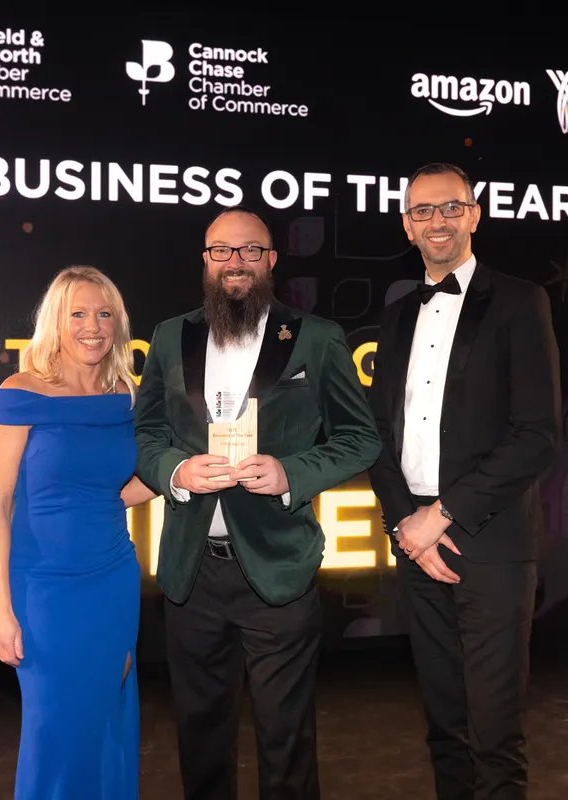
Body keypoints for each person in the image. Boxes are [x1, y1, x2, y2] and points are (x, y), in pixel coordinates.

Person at [134, 206, 381, 799]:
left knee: (285, 738)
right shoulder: (170, 335)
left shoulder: (316, 338)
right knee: (200, 734)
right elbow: (145, 434)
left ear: (271, 260)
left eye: (250, 250)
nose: (235, 262)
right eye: (222, 250)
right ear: (205, 261)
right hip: (191, 568)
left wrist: (291, 472)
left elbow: (360, 438)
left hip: (279, 565)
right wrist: (175, 470)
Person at [367, 162, 561, 800]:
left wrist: (442, 514)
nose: (438, 221)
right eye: (423, 211)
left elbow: (537, 434)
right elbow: (377, 434)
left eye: (451, 207)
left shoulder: (520, 301)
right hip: (416, 543)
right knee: (444, 725)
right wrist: (406, 524)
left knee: (495, 733)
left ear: (474, 215)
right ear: (407, 225)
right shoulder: (397, 314)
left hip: (490, 539)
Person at [0, 265, 155, 799]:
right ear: (56, 321)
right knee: (55, 731)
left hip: (113, 579)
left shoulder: (125, 394)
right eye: (78, 313)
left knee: (106, 722)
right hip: (44, 589)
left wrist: (183, 475)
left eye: (104, 314)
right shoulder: (20, 393)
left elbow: (121, 487)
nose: (92, 327)